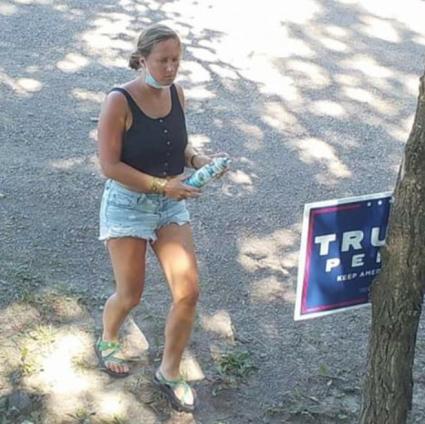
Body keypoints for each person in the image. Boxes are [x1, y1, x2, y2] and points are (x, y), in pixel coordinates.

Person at [95, 24, 220, 413]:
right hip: (128, 203)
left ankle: (169, 370)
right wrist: (161, 186)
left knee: (188, 292)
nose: (170, 68)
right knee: (131, 293)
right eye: (162, 60)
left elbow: (176, 143)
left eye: (176, 60)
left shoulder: (176, 93)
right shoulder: (119, 101)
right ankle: (107, 337)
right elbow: (109, 165)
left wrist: (197, 159)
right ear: (142, 59)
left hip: (170, 204)